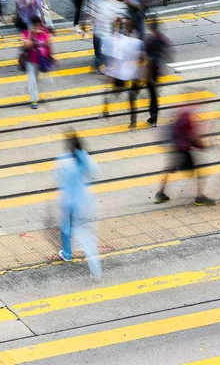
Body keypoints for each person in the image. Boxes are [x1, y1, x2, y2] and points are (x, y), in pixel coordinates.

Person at [54, 132, 101, 279]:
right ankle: (96, 270)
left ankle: (67, 253)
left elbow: (57, 178)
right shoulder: (84, 157)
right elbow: (95, 172)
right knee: (87, 237)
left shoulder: (63, 159)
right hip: (83, 202)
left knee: (65, 227)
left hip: (68, 201)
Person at [154, 109, 215, 206]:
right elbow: (193, 137)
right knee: (201, 171)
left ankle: (159, 194)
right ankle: (200, 197)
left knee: (168, 169)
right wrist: (203, 146)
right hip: (183, 152)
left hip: (174, 149)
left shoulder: (179, 119)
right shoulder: (187, 119)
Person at [102, 17, 143, 128]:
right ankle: (133, 121)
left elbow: (114, 59)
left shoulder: (119, 42)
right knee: (131, 99)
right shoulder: (135, 41)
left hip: (122, 74)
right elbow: (142, 57)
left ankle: (106, 107)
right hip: (132, 74)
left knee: (116, 94)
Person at [21, 15, 53, 109]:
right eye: (34, 25)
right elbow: (27, 45)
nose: (37, 27)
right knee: (31, 79)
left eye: (38, 25)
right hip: (30, 61)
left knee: (35, 79)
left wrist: (52, 57)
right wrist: (32, 34)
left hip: (41, 61)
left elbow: (49, 44)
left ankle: (32, 88)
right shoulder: (26, 32)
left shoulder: (45, 32)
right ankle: (34, 100)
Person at [144, 19, 171, 127]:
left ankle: (153, 118)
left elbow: (148, 58)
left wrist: (148, 75)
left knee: (153, 95)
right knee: (154, 94)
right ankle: (153, 117)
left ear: (150, 28)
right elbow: (167, 53)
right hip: (158, 69)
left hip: (152, 70)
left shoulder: (150, 40)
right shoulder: (162, 38)